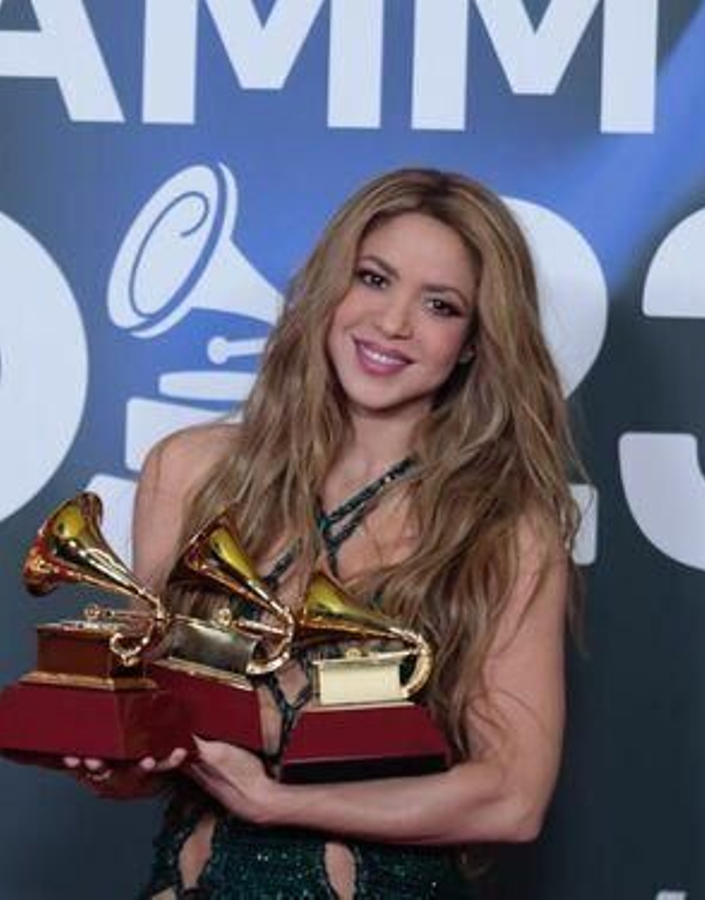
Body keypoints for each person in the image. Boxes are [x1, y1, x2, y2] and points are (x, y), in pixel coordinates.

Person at [67, 168, 581, 898]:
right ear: (328, 287)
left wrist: (278, 802)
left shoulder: (506, 532)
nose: (394, 323)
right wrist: (119, 759)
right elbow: (160, 726)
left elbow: (512, 797)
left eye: (439, 305)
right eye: (374, 279)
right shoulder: (190, 471)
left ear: (472, 341)